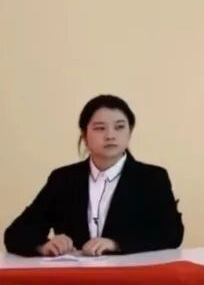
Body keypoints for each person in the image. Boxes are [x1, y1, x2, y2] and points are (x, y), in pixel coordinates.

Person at [4, 95, 184, 257]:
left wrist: (116, 244)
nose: (110, 135)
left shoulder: (152, 178)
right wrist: (44, 245)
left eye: (120, 127)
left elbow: (171, 234)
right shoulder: (63, 179)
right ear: (84, 135)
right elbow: (16, 233)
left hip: (131, 278)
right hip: (76, 279)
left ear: (129, 132)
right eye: (100, 128)